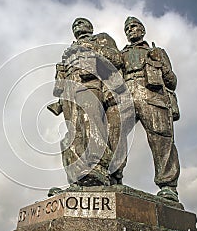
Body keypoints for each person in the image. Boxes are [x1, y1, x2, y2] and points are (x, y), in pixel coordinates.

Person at [48, 17, 127, 187]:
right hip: (69, 90)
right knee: (73, 131)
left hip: (89, 84)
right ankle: (78, 175)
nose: (77, 26)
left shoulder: (100, 39)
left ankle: (98, 167)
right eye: (75, 24)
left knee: (91, 123)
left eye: (81, 23)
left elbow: (117, 59)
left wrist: (91, 48)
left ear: (90, 27)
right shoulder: (70, 49)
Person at [120, 16, 181, 202]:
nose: (131, 30)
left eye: (134, 26)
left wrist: (160, 64)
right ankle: (112, 176)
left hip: (152, 94)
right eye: (127, 28)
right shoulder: (120, 54)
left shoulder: (157, 51)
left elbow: (172, 81)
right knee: (115, 135)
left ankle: (168, 186)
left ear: (143, 30)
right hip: (125, 93)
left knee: (161, 138)